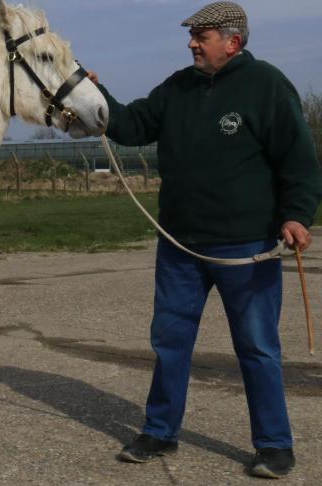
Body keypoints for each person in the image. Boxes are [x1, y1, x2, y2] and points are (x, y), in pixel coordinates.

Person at [88, 1, 322, 479]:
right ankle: (159, 432)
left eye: (202, 36)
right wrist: (96, 95)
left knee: (257, 347)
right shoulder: (178, 86)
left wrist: (297, 216)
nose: (192, 43)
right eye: (192, 36)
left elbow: (298, 160)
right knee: (170, 342)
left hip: (246, 247)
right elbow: (132, 125)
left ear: (233, 42)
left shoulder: (267, 85)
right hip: (180, 246)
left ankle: (274, 445)